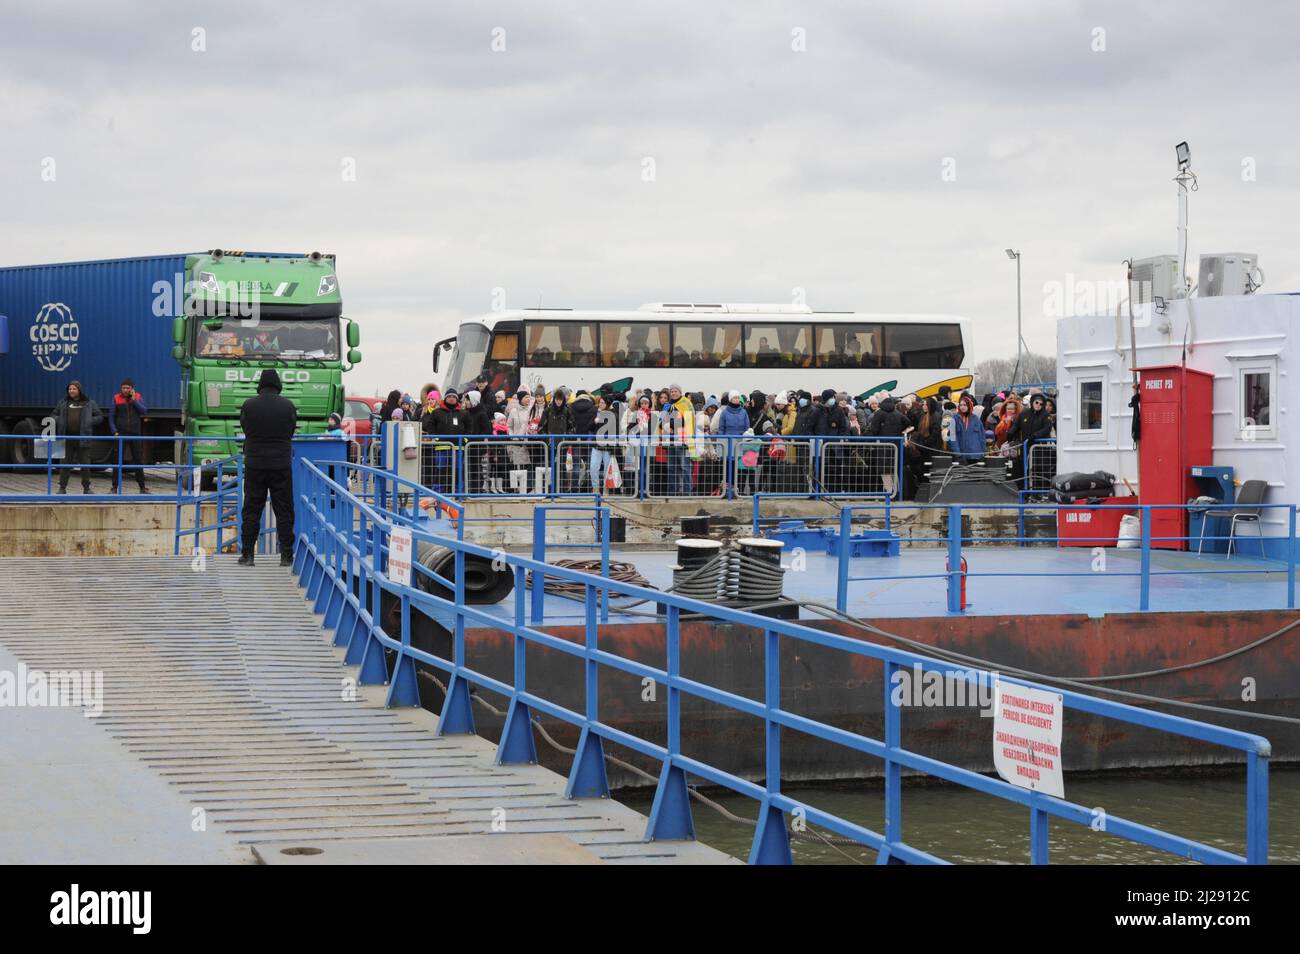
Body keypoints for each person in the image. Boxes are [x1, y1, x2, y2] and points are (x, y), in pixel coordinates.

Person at [238, 369, 297, 566]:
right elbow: (290, 430)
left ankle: (247, 555)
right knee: (284, 510)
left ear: (261, 384)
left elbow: (245, 428)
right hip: (281, 464)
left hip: (255, 464)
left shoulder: (249, 405)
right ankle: (287, 555)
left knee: (252, 509)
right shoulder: (288, 406)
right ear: (278, 384)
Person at [52, 380, 104, 494]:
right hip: (66, 439)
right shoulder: (63, 402)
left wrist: (90, 420)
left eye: (74, 389)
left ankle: (86, 488)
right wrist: (58, 419)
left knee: (85, 465)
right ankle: (62, 488)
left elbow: (100, 416)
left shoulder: (89, 402)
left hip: (83, 439)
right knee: (64, 464)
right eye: (70, 389)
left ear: (79, 390)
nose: (71, 391)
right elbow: (53, 414)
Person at [108, 377, 149, 494]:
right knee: (117, 460)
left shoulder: (138, 397)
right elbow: (111, 416)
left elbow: (144, 411)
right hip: (121, 433)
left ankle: (142, 487)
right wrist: (114, 431)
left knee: (138, 460)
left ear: (132, 389)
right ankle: (114, 487)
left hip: (135, 433)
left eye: (128, 388)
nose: (125, 390)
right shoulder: (116, 398)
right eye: (123, 388)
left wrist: (134, 400)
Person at [948, 393, 985, 462]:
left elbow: (982, 437)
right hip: (961, 455)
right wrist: (957, 453)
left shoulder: (976, 419)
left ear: (969, 405)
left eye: (965, 405)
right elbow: (952, 437)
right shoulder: (954, 419)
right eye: (961, 405)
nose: (962, 407)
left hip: (975, 456)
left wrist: (982, 452)